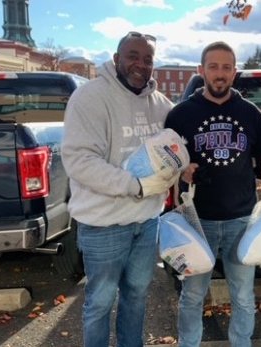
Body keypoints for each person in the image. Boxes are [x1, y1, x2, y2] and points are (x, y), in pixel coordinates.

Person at [61, 31, 175, 347]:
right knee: (99, 302)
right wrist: (135, 186)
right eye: (133, 56)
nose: (140, 64)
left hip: (147, 221)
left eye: (148, 59)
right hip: (103, 225)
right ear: (116, 59)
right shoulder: (89, 98)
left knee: (136, 297)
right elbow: (79, 160)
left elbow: (174, 152)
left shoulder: (161, 105)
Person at [164, 41, 261, 347]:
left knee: (242, 296)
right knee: (192, 297)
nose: (220, 73)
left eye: (226, 67)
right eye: (213, 66)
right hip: (196, 221)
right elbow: (166, 161)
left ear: (234, 72)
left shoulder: (250, 112)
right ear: (201, 71)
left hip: (241, 219)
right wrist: (181, 169)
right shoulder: (180, 114)